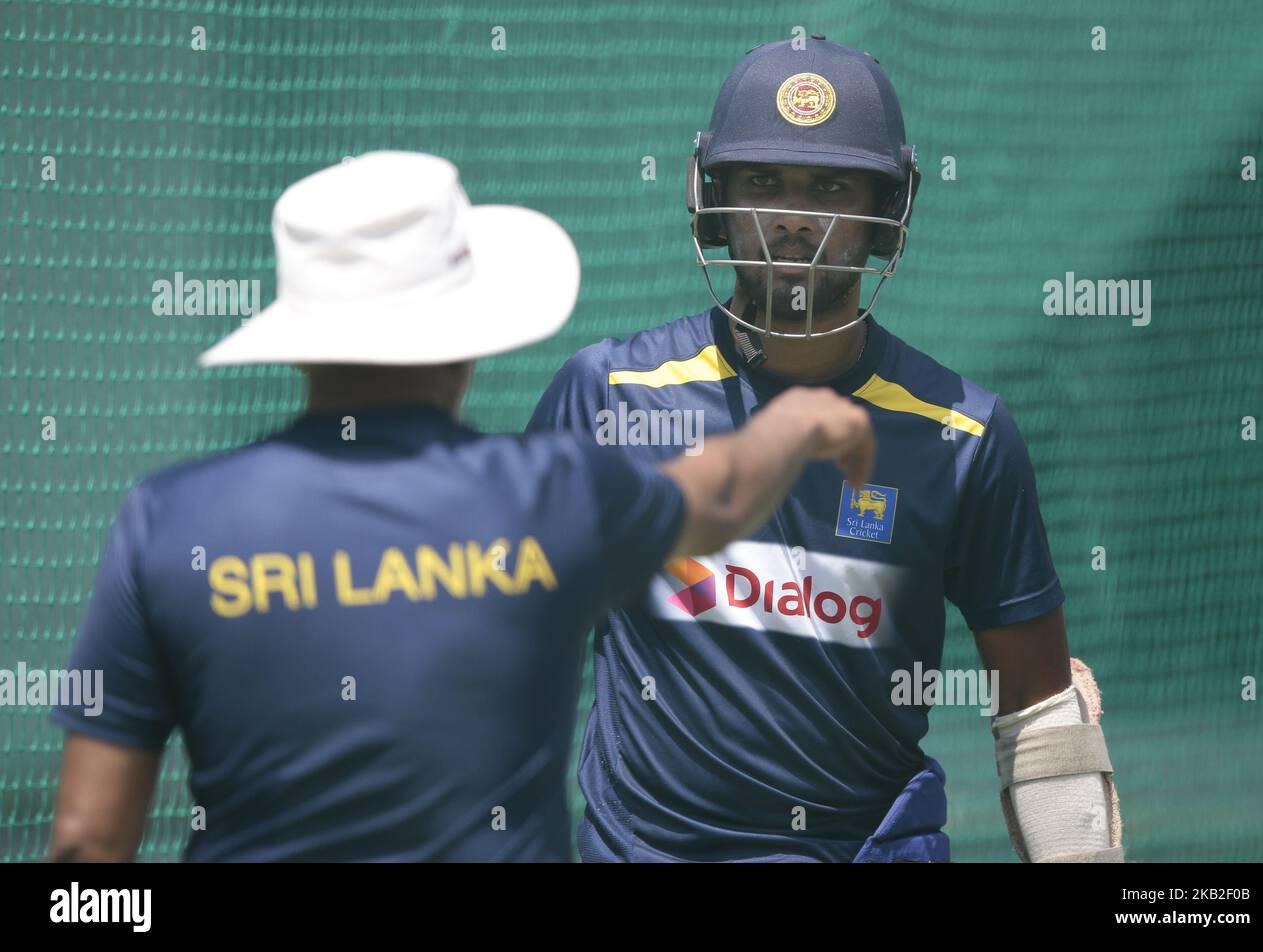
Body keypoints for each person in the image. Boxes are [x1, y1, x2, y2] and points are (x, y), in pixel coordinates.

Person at [47, 151, 878, 862]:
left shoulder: (170, 520)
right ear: (470, 332)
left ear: (296, 336)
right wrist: (801, 419)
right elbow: (723, 491)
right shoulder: (552, 496)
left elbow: (87, 844)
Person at [528, 39, 1122, 863]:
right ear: (714, 199)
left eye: (833, 188)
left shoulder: (963, 435)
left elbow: (1041, 711)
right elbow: (502, 645)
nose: (795, 217)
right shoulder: (610, 395)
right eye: (763, 183)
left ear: (890, 209)